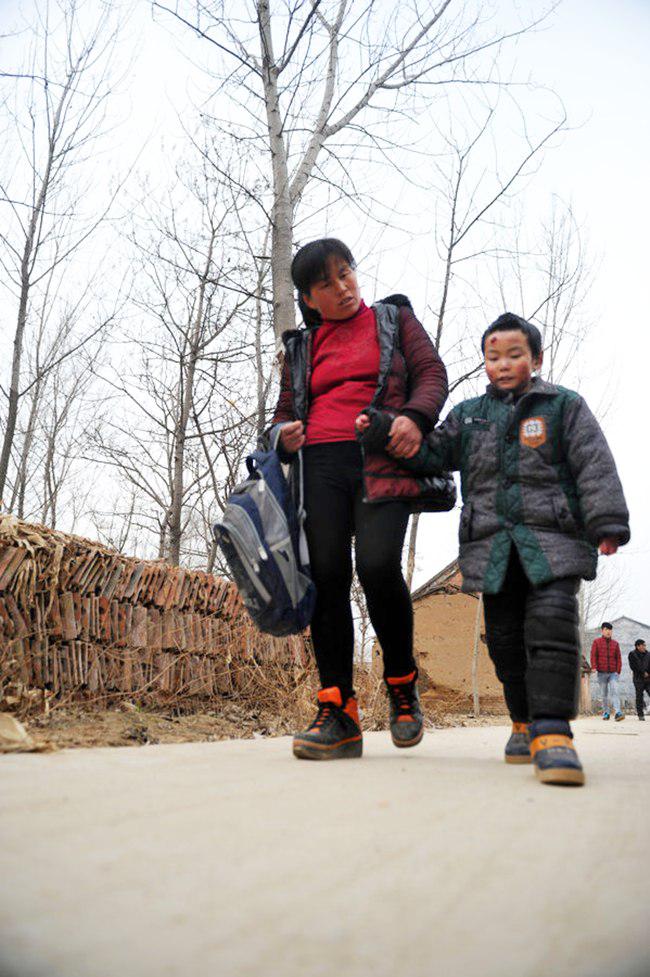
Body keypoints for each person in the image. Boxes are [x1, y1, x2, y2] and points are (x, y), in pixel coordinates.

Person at [356, 311, 630, 786]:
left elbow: (594, 463)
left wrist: (606, 521)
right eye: (493, 356)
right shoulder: (468, 416)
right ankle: (523, 722)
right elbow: (431, 452)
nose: (502, 364)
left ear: (537, 358)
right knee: (504, 645)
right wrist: (385, 428)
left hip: (555, 545)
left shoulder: (564, 407)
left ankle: (554, 734)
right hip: (495, 552)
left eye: (514, 355)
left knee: (552, 635)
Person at [268, 238, 448, 760]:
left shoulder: (393, 320)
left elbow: (431, 374)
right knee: (325, 575)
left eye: (346, 273)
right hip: (319, 465)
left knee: (375, 565)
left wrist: (413, 418)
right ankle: (338, 710)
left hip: (380, 459)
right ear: (309, 298)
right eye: (327, 282)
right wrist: (283, 435)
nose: (342, 287)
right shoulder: (301, 348)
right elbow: (282, 413)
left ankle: (401, 685)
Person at [590, 622, 624, 721]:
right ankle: (606, 713)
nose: (609, 632)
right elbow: (593, 655)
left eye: (610, 630)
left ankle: (618, 712)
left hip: (613, 673)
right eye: (606, 629)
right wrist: (594, 667)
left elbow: (618, 658)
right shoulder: (597, 642)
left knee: (615, 690)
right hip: (601, 672)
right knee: (604, 694)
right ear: (602, 630)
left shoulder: (615, 644)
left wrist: (618, 671)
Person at [628, 639, 650, 721]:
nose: (644, 647)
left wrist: (648, 673)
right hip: (638, 678)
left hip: (648, 678)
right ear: (638, 646)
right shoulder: (632, 654)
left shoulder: (648, 654)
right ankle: (640, 714)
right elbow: (633, 666)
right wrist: (642, 672)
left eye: (645, 645)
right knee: (639, 696)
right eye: (643, 645)